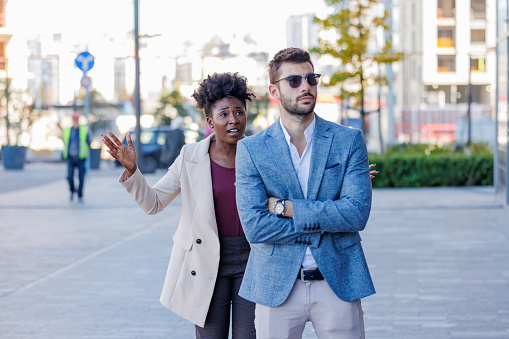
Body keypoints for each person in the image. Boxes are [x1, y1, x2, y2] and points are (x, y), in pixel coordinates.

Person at [101, 72, 257, 339]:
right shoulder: (190, 156)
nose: (233, 119)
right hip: (207, 258)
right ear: (209, 120)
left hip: (253, 260)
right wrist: (132, 170)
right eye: (224, 114)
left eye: (239, 112)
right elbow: (154, 203)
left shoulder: (258, 155)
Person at [235, 47, 375, 339]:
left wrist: (284, 208)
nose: (306, 86)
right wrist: (326, 222)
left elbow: (356, 213)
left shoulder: (348, 141)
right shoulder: (251, 149)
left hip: (337, 282)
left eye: (311, 78)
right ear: (274, 90)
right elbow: (255, 227)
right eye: (294, 80)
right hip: (276, 287)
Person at [62, 112, 91, 202]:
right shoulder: (67, 130)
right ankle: (72, 191)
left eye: (77, 119)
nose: (75, 121)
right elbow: (64, 141)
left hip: (81, 158)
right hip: (70, 157)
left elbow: (89, 141)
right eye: (74, 119)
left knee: (81, 177)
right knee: (69, 176)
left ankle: (80, 194)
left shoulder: (84, 129)